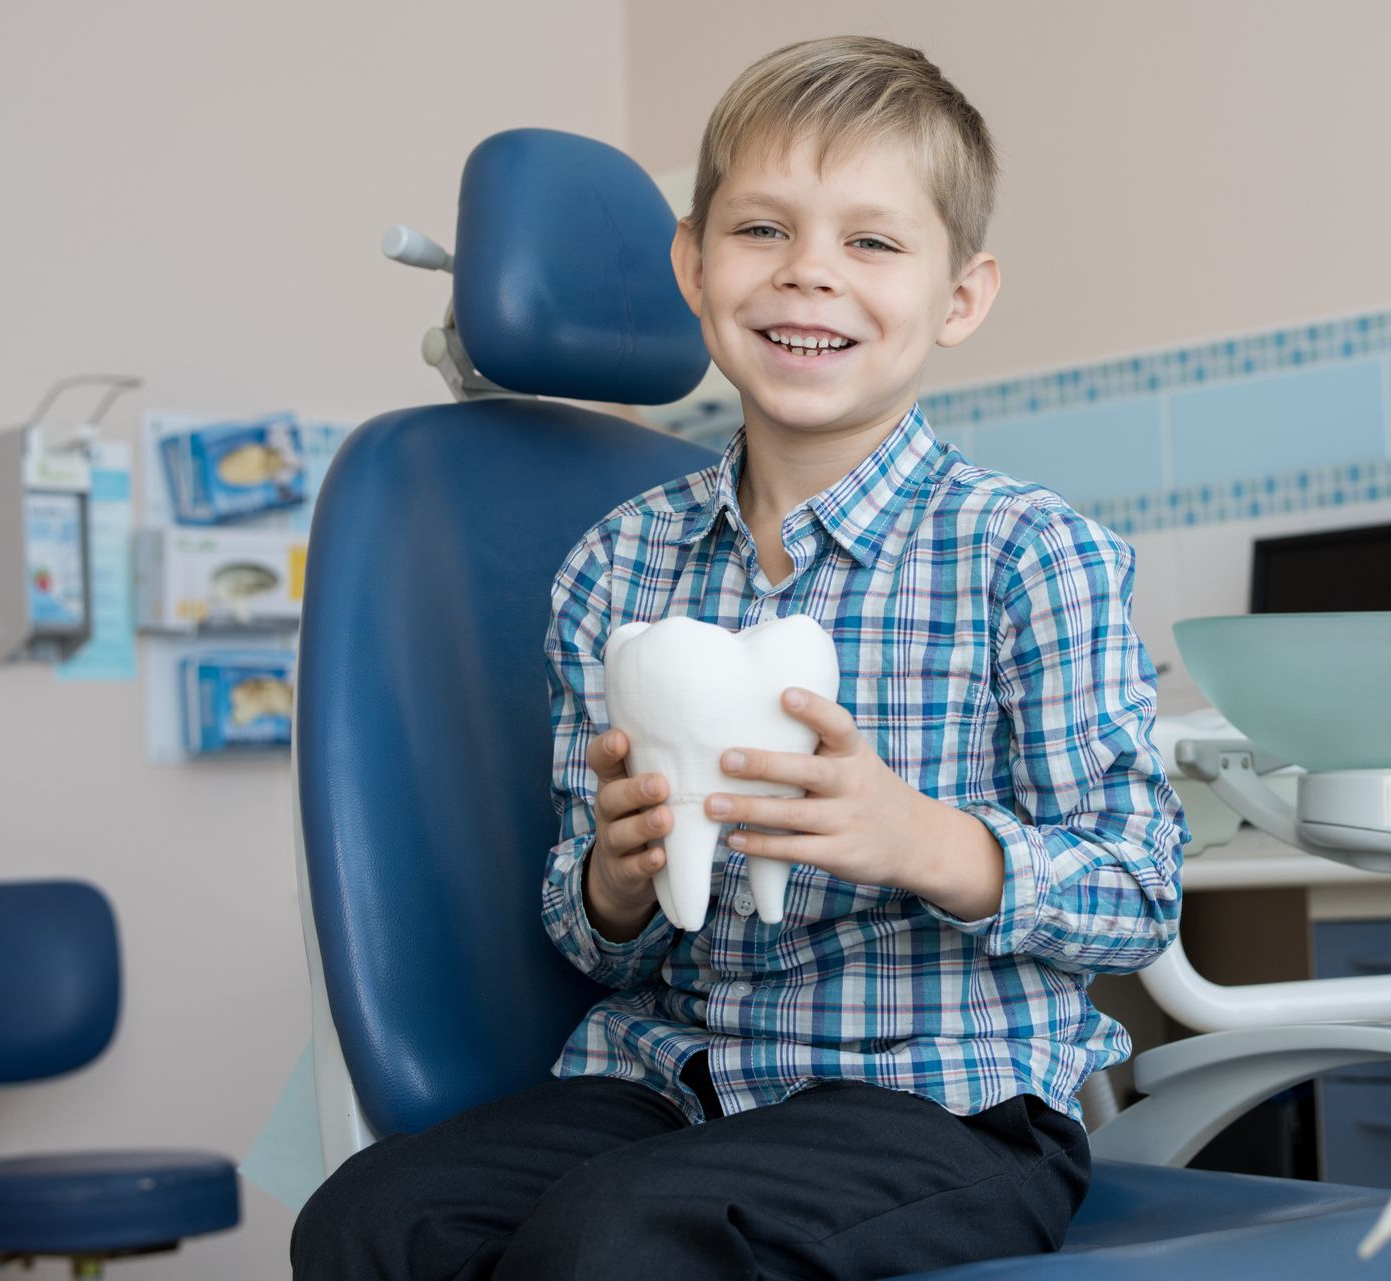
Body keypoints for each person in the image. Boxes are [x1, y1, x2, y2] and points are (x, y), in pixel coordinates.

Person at [292, 33, 1186, 1280]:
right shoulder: (617, 566)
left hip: (947, 1106)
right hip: (678, 1087)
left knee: (617, 1240)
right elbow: (590, 930)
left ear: (961, 295)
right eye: (763, 230)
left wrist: (921, 841)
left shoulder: (1029, 557)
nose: (809, 275)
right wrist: (613, 876)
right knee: (371, 1222)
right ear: (693, 265)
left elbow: (1140, 891)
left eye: (871, 243)